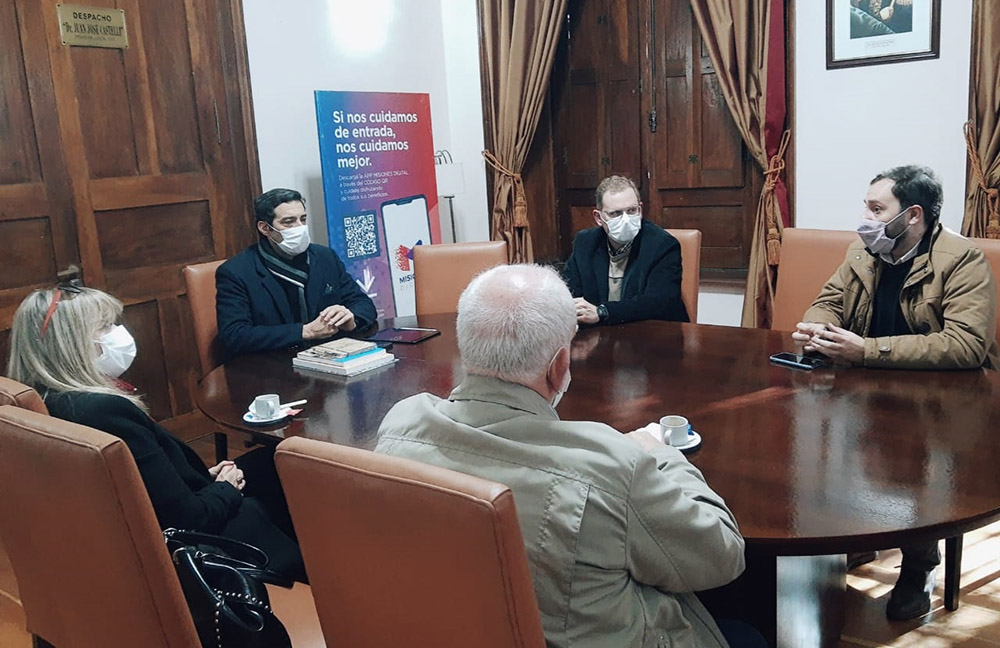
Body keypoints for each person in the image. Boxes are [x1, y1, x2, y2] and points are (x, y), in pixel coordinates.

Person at [375, 264, 752, 648]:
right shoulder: (609, 466)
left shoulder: (401, 424)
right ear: (559, 367)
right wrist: (663, 455)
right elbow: (722, 556)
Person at [792, 164, 999, 621]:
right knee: (833, 450)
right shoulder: (863, 251)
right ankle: (856, 538)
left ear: (912, 215)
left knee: (916, 471)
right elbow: (828, 301)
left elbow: (966, 345)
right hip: (868, 383)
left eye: (876, 209)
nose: (865, 219)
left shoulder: (962, 259)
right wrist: (818, 327)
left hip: (941, 398)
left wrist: (867, 349)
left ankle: (920, 563)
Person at [7, 286, 306, 582]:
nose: (118, 333)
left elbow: (143, 484)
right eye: (106, 326)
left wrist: (201, 478)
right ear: (72, 344)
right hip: (199, 547)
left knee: (269, 461)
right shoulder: (103, 412)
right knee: (288, 468)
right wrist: (225, 489)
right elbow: (186, 518)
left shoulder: (45, 405)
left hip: (129, 531)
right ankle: (315, 574)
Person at [216, 188, 377, 359]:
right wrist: (304, 332)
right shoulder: (236, 272)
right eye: (289, 222)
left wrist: (351, 319)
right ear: (265, 228)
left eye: (303, 219)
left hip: (329, 357)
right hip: (273, 364)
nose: (300, 227)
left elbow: (363, 304)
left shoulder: (325, 257)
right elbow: (234, 336)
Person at [563, 175, 689, 325]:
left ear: (640, 209)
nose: (626, 219)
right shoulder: (585, 242)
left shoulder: (662, 245)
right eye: (615, 213)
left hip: (653, 331)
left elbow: (659, 302)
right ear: (598, 217)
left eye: (631, 210)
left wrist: (602, 312)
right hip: (599, 333)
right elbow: (568, 291)